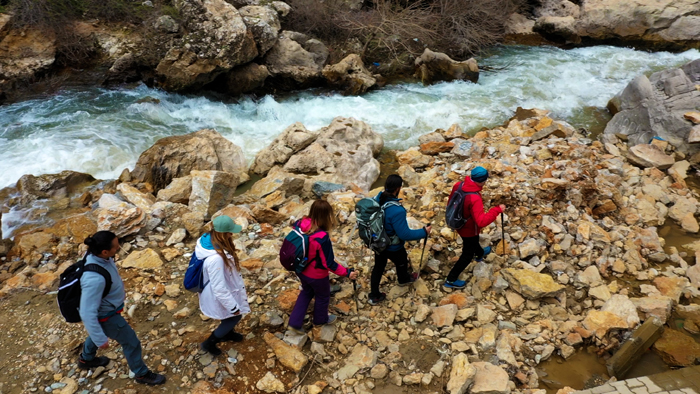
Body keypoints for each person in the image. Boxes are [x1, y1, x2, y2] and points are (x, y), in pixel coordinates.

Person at [78, 231, 166, 385]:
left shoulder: (96, 255)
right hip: (107, 316)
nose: (119, 247)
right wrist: (101, 340)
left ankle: (86, 359)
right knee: (131, 342)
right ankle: (141, 374)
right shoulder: (94, 279)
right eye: (116, 246)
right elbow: (87, 312)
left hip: (107, 311)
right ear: (105, 251)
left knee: (99, 331)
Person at [288, 200, 358, 334]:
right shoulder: (322, 237)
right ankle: (320, 319)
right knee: (323, 296)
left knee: (306, 292)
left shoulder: (299, 223)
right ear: (327, 216)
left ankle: (294, 322)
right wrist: (347, 273)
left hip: (300, 269)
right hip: (316, 275)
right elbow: (329, 263)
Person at [368, 174, 431, 305]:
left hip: (378, 242)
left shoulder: (378, 199)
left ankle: (374, 295)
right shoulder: (397, 210)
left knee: (378, 267)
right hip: (392, 246)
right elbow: (404, 235)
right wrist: (423, 232)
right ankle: (403, 279)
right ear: (398, 188)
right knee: (401, 260)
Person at [197, 215, 250, 356]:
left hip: (220, 287)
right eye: (229, 232)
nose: (232, 234)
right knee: (235, 316)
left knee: (229, 317)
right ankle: (209, 343)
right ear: (222, 234)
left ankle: (228, 332)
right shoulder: (215, 259)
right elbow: (219, 289)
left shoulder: (209, 240)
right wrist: (233, 307)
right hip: (217, 292)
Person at [444, 166, 505, 289]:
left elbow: (451, 201)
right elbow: (481, 221)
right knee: (467, 253)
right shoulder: (474, 197)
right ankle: (451, 279)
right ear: (483, 181)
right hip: (469, 229)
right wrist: (497, 210)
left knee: (472, 242)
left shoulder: (459, 185)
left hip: (458, 222)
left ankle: (480, 253)